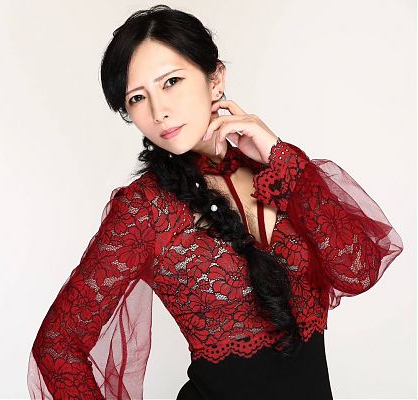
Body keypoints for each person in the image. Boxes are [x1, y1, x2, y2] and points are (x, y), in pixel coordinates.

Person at [27, 4, 404, 399]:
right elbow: (57, 346)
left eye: (171, 82)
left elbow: (358, 271)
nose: (159, 111)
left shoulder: (282, 173)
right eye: (138, 98)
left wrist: (281, 157)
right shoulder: (144, 210)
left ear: (216, 78)